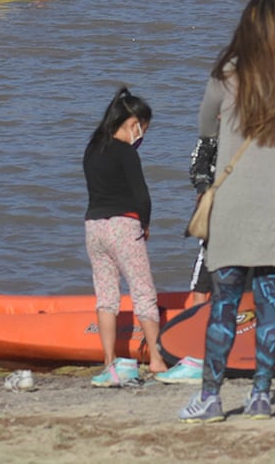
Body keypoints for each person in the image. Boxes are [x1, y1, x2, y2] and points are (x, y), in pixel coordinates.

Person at [178, 0, 275, 422]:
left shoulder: (226, 77)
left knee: (223, 303)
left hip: (234, 209)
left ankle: (211, 397)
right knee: (269, 303)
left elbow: (206, 127)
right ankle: (261, 394)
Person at [83, 86, 170, 387]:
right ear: (133, 124)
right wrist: (144, 224)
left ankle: (109, 362)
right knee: (143, 291)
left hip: (94, 226)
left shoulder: (93, 149)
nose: (144, 133)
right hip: (123, 225)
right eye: (144, 126)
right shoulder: (126, 153)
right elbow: (141, 196)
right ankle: (157, 359)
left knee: (106, 296)